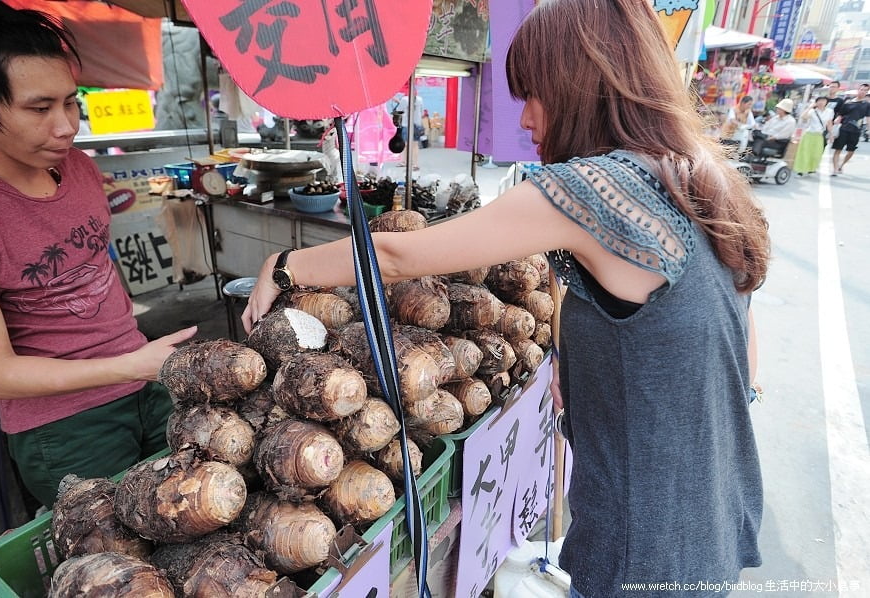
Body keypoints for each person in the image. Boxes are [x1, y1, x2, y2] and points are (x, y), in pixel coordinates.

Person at [243, 1, 769, 596]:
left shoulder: (598, 189)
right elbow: (741, 345)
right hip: (716, 512)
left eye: (532, 94)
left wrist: (283, 266)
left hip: (646, 548)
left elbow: (396, 256)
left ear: (578, 86)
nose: (524, 118)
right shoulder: (700, 175)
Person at [0, 1, 197, 509]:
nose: (66, 126)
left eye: (71, 102)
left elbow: (98, 266)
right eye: (39, 108)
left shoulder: (77, 167)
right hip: (64, 425)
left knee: (192, 508)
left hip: (145, 380)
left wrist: (136, 359)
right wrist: (129, 365)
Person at [830, 82, 869, 176]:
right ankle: (835, 170)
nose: (863, 92)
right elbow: (840, 114)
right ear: (858, 90)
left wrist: (869, 129)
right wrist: (837, 119)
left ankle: (841, 165)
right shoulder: (848, 102)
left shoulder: (867, 105)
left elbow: (868, 118)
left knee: (851, 151)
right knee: (838, 149)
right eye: (861, 89)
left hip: (856, 131)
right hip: (843, 129)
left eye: (865, 90)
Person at [793, 96, 833, 176]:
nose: (821, 102)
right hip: (809, 134)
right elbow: (803, 117)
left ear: (826, 102)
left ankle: (811, 169)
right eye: (819, 101)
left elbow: (829, 123)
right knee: (805, 152)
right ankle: (800, 170)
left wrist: (831, 134)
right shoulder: (812, 111)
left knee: (816, 154)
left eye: (823, 101)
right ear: (816, 102)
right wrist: (810, 107)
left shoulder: (829, 111)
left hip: (819, 135)